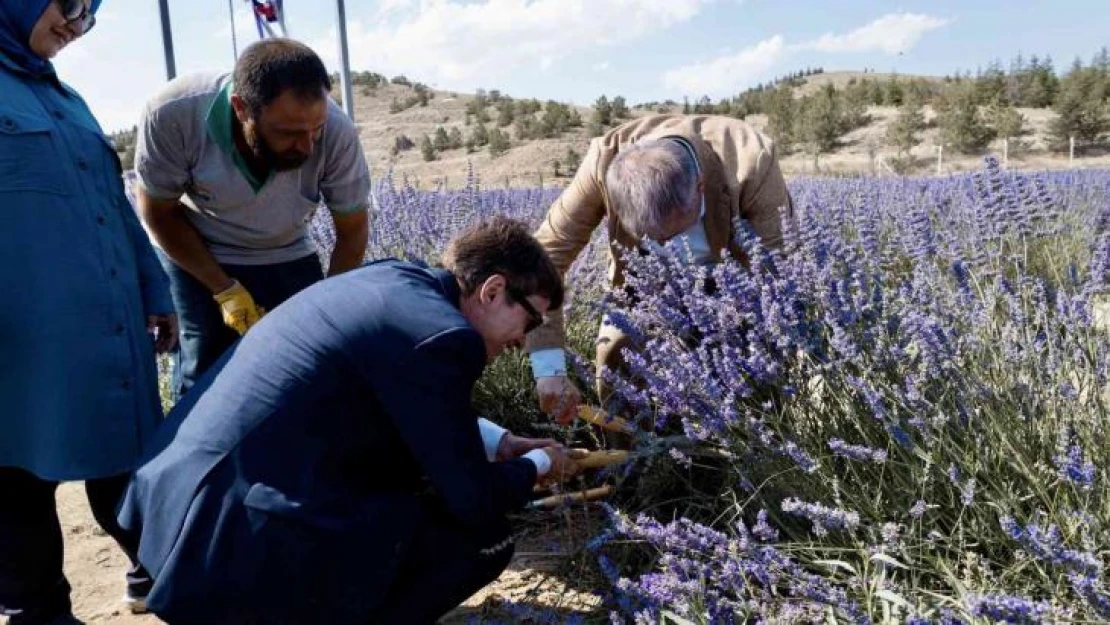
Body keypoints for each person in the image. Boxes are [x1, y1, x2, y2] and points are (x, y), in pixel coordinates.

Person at [117, 218, 583, 625]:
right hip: (232, 543)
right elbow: (472, 499)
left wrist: (499, 442)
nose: (524, 341)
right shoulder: (446, 338)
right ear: (494, 290)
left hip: (177, 507)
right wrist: (541, 465)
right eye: (530, 321)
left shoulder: (397, 282)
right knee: (484, 540)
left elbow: (397, 399)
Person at [0, 2, 177, 623]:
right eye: (70, 5)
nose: (76, 27)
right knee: (17, 492)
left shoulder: (69, 100)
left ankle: (175, 580)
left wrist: (156, 291)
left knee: (131, 472)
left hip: (109, 334)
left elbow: (117, 206)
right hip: (20, 348)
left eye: (90, 15)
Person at [134, 38, 371, 401]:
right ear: (241, 108)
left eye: (315, 130)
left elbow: (352, 231)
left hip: (287, 250)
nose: (307, 147)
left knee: (306, 377)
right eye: (289, 133)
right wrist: (223, 288)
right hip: (199, 252)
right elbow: (158, 212)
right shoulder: (173, 114)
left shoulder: (337, 133)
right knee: (205, 379)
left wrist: (329, 311)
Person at [525, 114, 793, 424]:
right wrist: (549, 369)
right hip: (641, 289)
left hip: (733, 287)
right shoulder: (603, 159)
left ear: (701, 188)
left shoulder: (750, 161)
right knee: (613, 367)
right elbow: (545, 256)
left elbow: (779, 266)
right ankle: (631, 459)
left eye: (674, 233)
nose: (665, 246)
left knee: (759, 383)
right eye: (652, 237)